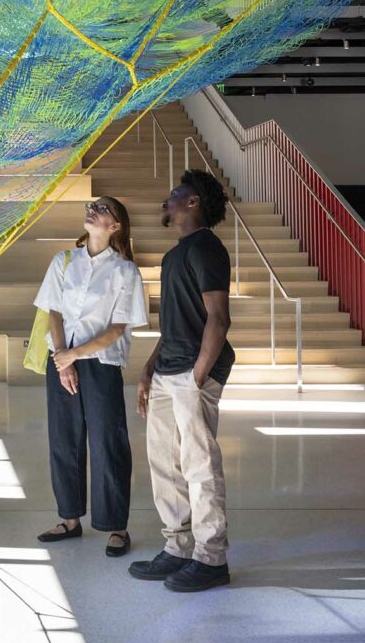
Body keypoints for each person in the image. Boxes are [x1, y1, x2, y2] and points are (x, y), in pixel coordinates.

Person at [130, 169, 235, 593]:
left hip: (192, 373)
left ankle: (211, 559)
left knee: (198, 465)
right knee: (164, 465)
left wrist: (197, 375)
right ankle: (177, 547)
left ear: (193, 203)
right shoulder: (176, 254)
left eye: (176, 193)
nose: (168, 199)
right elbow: (174, 325)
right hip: (167, 370)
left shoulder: (206, 247)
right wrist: (148, 368)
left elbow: (219, 317)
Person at [34, 197, 148, 556]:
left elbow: (117, 328)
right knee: (63, 440)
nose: (93, 211)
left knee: (107, 444)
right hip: (61, 359)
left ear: (116, 226)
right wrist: (63, 359)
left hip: (101, 363)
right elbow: (53, 312)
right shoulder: (63, 261)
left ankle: (116, 526)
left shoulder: (125, 271)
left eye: (102, 210)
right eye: (92, 206)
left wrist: (75, 354)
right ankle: (69, 519)